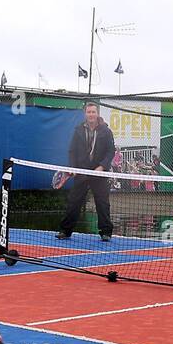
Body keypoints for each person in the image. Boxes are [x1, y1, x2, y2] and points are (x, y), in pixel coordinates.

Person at [57, 101, 116, 241]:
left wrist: (101, 167)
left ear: (97, 114)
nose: (91, 114)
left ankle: (106, 232)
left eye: (93, 112)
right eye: (89, 112)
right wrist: (73, 167)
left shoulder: (106, 131)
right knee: (74, 202)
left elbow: (110, 151)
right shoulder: (78, 130)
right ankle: (66, 231)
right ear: (85, 114)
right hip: (82, 172)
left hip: (99, 173)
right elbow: (72, 151)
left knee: (102, 203)